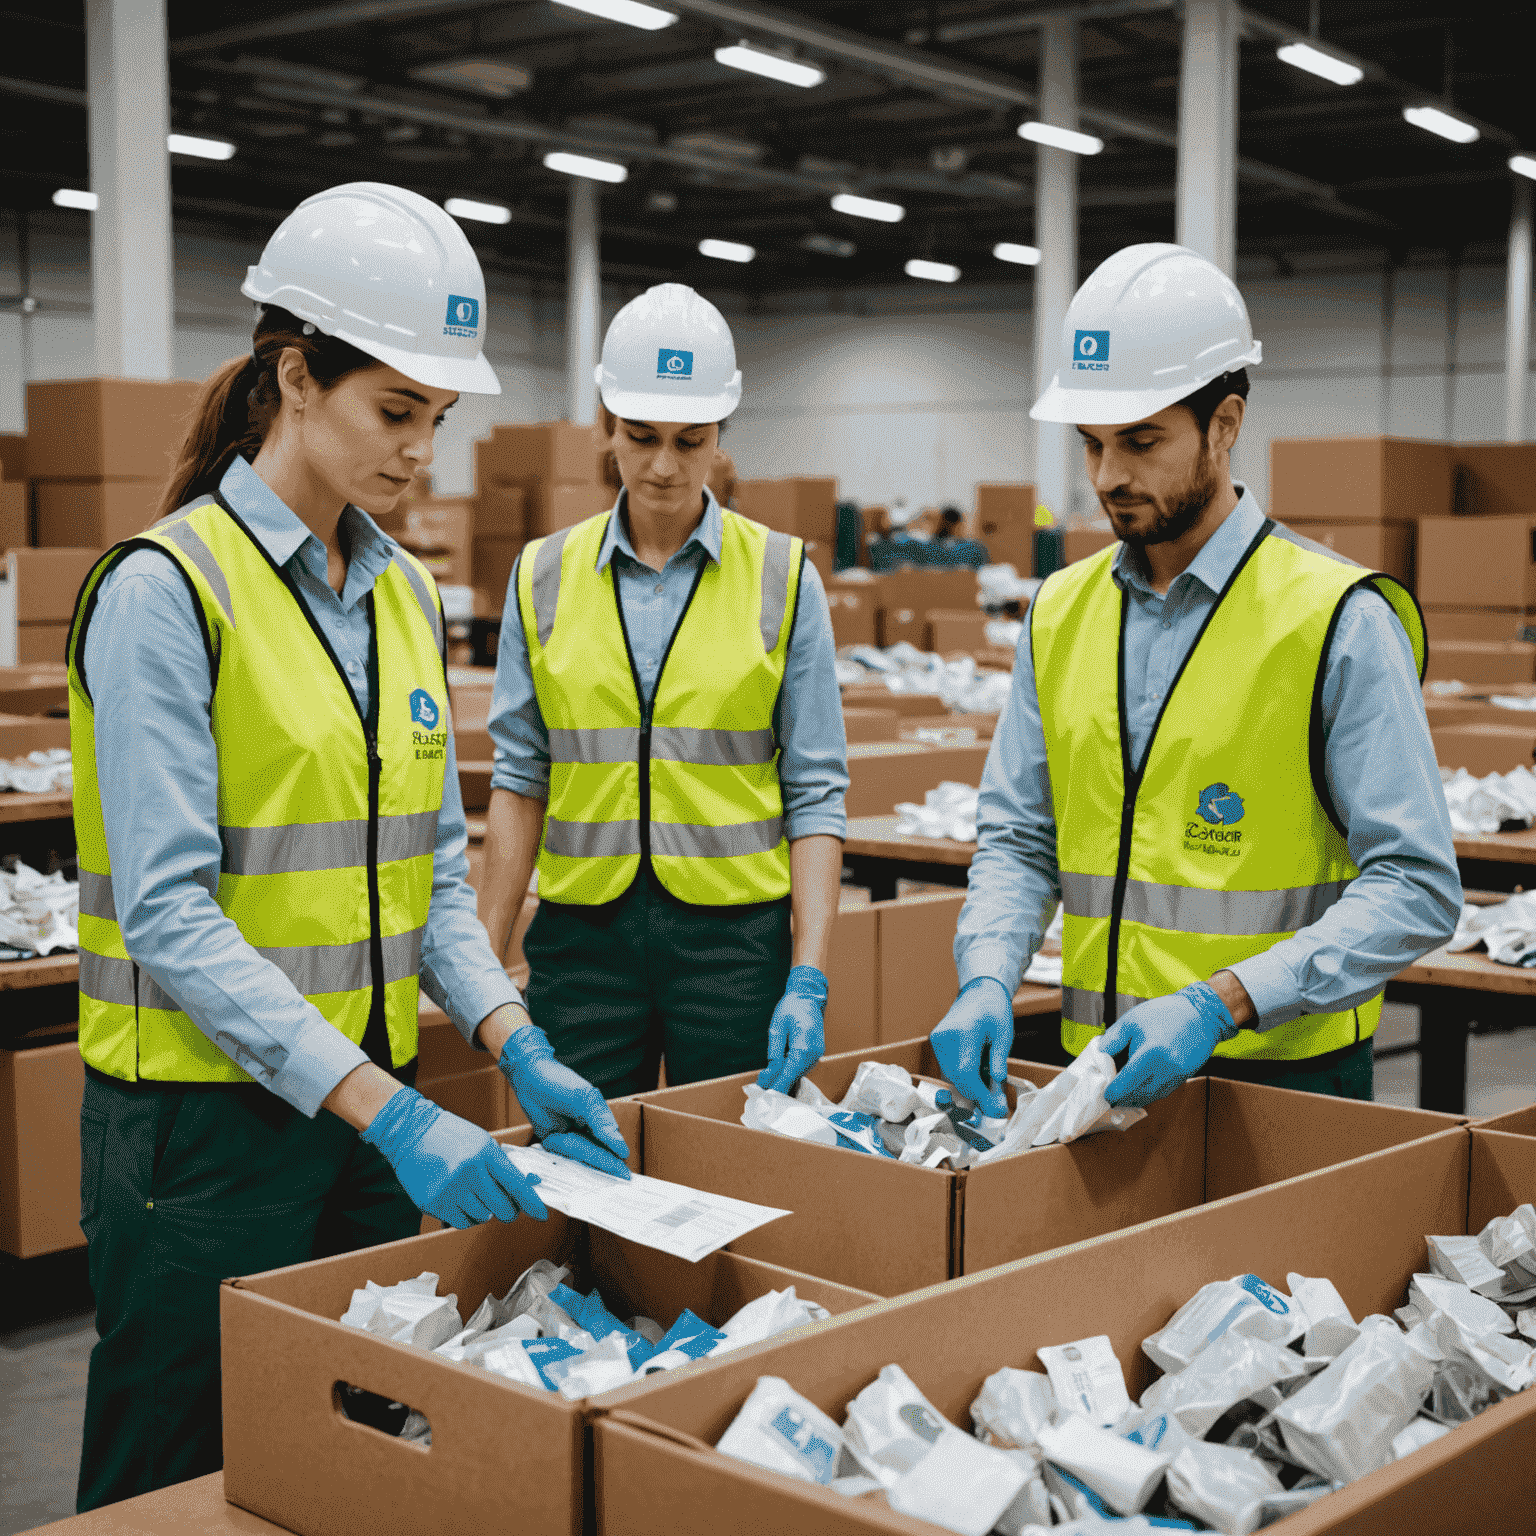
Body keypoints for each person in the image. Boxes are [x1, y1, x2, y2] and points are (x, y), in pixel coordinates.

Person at [67, 182, 627, 1511]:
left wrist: (511, 1036)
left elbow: (427, 874)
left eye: (437, 419)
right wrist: (401, 1115)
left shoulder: (396, 599)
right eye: (395, 411)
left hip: (359, 1125)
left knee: (338, 1465)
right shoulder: (165, 593)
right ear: (292, 374)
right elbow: (169, 916)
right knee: (173, 1477)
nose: (421, 452)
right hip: (199, 1140)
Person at [929, 242, 1459, 1117]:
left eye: (1141, 441)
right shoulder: (1060, 611)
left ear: (1225, 424)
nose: (1107, 477)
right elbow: (1022, 836)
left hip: (1283, 1080)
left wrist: (1225, 1001)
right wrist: (987, 974)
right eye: (1092, 444)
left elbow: (1417, 883)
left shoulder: (1337, 619)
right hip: (1095, 1077)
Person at [478, 283, 848, 1099]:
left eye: (692, 439)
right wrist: (482, 965)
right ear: (607, 423)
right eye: (640, 437)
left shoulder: (783, 577)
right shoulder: (543, 574)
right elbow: (519, 779)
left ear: (723, 435)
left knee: (730, 1170)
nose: (664, 465)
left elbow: (816, 792)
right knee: (577, 1172)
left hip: (734, 949)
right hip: (582, 946)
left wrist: (808, 975)